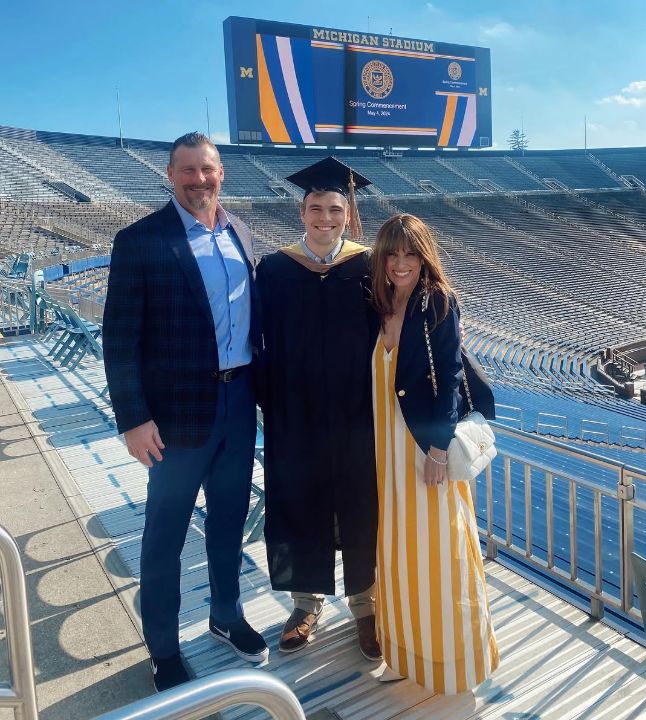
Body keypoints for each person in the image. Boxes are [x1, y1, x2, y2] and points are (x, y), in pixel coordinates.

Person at [102, 132, 268, 693]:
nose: (200, 180)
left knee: (227, 521)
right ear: (170, 175)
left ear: (222, 174)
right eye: (188, 170)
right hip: (174, 418)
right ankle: (164, 649)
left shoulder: (240, 232)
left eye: (209, 170)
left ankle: (225, 615)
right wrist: (132, 418)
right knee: (164, 536)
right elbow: (119, 339)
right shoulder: (140, 240)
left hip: (238, 401)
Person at [256, 157, 381, 660]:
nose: (324, 217)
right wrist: (273, 402)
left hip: (359, 415)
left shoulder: (369, 265)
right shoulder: (276, 268)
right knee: (298, 505)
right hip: (297, 415)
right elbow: (257, 340)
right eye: (315, 208)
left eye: (334, 208)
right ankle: (305, 604)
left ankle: (366, 606)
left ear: (348, 214)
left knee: (362, 506)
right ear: (301, 211)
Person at [369, 214, 499, 693]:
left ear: (424, 256)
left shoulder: (438, 302)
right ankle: (404, 651)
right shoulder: (377, 303)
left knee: (439, 549)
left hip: (423, 447)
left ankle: (451, 660)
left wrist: (440, 450)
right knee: (398, 551)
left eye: (411, 253)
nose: (401, 263)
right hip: (386, 448)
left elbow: (448, 378)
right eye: (393, 253)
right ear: (381, 257)